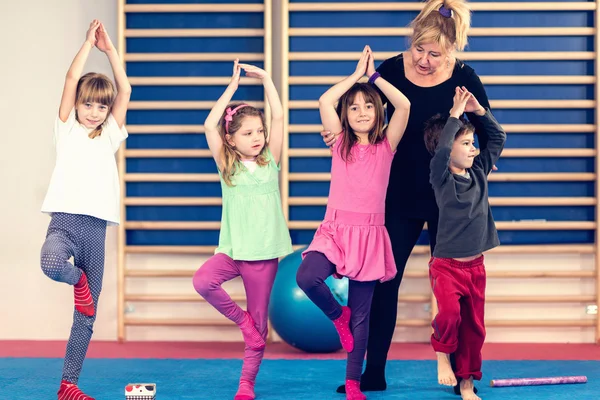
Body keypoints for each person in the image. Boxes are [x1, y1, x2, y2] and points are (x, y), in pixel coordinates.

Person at [322, 0, 493, 394]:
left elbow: (484, 127)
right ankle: (374, 370)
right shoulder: (392, 70)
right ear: (411, 42)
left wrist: (483, 160)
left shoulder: (465, 78)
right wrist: (336, 133)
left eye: (436, 54)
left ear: (451, 50)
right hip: (398, 194)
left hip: (450, 202)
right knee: (385, 283)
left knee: (459, 292)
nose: (425, 60)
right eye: (419, 49)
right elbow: (358, 111)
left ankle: (463, 375)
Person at [296, 45, 410, 400]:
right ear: (346, 115)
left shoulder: (387, 145)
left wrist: (374, 78)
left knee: (363, 318)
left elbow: (404, 106)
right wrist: (355, 78)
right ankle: (336, 315)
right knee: (306, 276)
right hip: (335, 231)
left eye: (369, 106)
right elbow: (323, 102)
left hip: (370, 236)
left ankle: (353, 384)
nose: (362, 112)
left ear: (379, 112)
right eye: (355, 107)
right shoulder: (340, 141)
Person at [40, 20, 131, 400]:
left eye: (101, 106)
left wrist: (110, 49)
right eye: (87, 103)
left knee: (86, 316)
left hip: (96, 229)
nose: (94, 111)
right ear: (76, 103)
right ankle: (77, 281)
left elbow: (125, 88)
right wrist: (86, 45)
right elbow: (70, 76)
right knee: (50, 263)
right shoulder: (67, 129)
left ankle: (68, 384)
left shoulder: (109, 133)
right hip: (64, 222)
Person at [192, 60, 292, 400]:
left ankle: (246, 383)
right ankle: (243, 322)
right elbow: (209, 124)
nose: (257, 138)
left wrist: (266, 79)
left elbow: (279, 117)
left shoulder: (270, 161)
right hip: (234, 252)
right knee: (203, 281)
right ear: (230, 140)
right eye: (248, 133)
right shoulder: (227, 166)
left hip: (263, 256)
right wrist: (232, 88)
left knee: (261, 327)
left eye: (259, 132)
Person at [424, 86, 506, 399]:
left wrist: (478, 112)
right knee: (449, 315)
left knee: (474, 330)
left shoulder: (480, 173)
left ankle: (467, 381)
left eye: (473, 144)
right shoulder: (441, 178)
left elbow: (498, 139)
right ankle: (442, 354)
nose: (473, 149)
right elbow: (444, 149)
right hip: (446, 266)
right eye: (467, 144)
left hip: (476, 266)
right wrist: (455, 116)